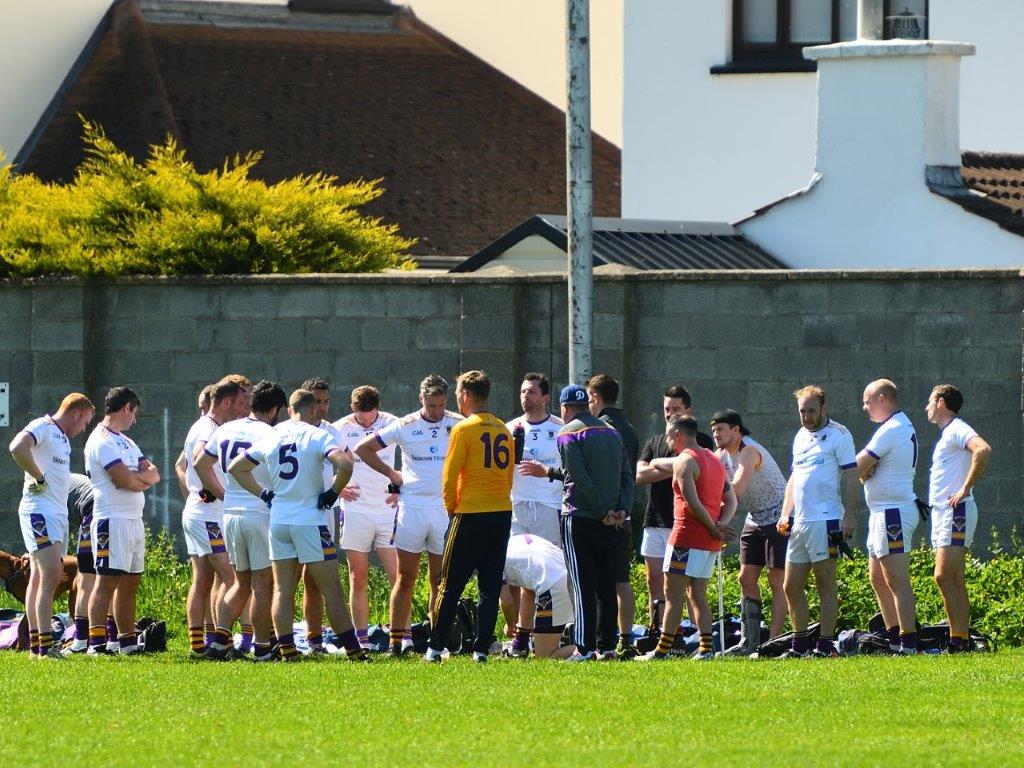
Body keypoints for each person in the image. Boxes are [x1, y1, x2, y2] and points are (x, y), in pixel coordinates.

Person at [228, 388, 366, 662]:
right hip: (310, 520)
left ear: (290, 409)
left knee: (282, 588)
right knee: (331, 588)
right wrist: (332, 493)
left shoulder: (272, 435)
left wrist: (263, 493)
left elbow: (235, 467)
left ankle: (288, 650)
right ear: (312, 410)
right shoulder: (317, 434)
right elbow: (345, 464)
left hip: (279, 520)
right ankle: (355, 651)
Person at [355, 374, 462, 656]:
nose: (436, 412)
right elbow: (362, 449)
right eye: (431, 406)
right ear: (421, 400)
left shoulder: (457, 423)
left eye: (440, 405)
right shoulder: (404, 425)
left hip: (443, 508)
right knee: (406, 576)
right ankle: (396, 641)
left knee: (439, 579)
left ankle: (435, 640)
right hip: (412, 508)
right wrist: (392, 474)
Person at [424, 370, 514, 663]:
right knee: (490, 586)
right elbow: (508, 476)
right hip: (500, 512)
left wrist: (453, 510)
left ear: (464, 396)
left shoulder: (463, 429)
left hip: (470, 512)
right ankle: (481, 650)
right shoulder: (504, 429)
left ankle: (435, 647)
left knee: (449, 583)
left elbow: (449, 478)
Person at [197, 380, 288, 661]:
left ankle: (219, 641)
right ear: (273, 410)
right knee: (263, 583)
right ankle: (262, 647)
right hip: (259, 510)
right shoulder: (271, 433)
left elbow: (200, 463)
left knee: (239, 582)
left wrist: (222, 493)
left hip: (231, 512)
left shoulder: (226, 428)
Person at [639, 415, 736, 661]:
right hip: (708, 541)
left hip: (686, 536)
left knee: (672, 596)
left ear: (676, 435)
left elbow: (692, 502)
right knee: (698, 595)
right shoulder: (713, 460)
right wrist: (719, 525)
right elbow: (732, 500)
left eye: (669, 436)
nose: (667, 441)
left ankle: (661, 651)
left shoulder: (684, 461)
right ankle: (706, 649)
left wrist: (715, 527)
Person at [8, 393, 95, 658]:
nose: (83, 429)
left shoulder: (63, 440)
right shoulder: (43, 426)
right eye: (85, 422)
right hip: (39, 512)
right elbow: (17, 446)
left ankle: (38, 647)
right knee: (50, 575)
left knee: (40, 577)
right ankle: (45, 647)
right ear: (77, 413)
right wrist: (38, 476)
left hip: (56, 514)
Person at [777, 386, 858, 659]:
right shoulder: (800, 437)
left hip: (826, 520)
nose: (807, 416)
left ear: (824, 408)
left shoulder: (839, 434)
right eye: (802, 411)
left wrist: (849, 514)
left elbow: (851, 476)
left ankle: (824, 646)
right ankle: (799, 646)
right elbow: (794, 479)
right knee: (791, 585)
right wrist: (785, 513)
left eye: (812, 410)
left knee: (825, 584)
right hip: (799, 523)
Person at [556, 384, 634, 661]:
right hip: (613, 521)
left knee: (582, 585)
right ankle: (608, 645)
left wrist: (601, 511)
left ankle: (584, 647)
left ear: (565, 408)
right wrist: (621, 510)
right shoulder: (611, 431)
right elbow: (627, 473)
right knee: (606, 585)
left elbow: (577, 478)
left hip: (581, 517)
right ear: (587, 404)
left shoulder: (568, 432)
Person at [85, 387, 160, 656]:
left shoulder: (127, 442)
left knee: (130, 583)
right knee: (106, 582)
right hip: (111, 519)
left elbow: (154, 474)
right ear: (126, 407)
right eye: (134, 413)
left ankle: (127, 642)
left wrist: (139, 480)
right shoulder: (101, 440)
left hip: (133, 520)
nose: (135, 419)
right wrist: (138, 480)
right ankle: (96, 643)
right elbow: (123, 479)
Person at [635, 385, 712, 631]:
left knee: (689, 585)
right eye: (667, 409)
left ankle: (692, 633)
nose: (670, 414)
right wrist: (678, 467)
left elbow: (701, 470)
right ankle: (657, 631)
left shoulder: (702, 442)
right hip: (655, 520)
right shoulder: (655, 441)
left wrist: (662, 466)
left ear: (688, 410)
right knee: (654, 582)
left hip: (686, 524)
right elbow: (638, 475)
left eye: (676, 409)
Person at [180, 377, 248, 659]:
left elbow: (182, 467)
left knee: (205, 579)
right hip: (208, 515)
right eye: (242, 403)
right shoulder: (208, 429)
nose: (244, 409)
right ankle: (223, 643)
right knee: (233, 579)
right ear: (228, 402)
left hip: (201, 511)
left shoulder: (208, 426)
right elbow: (197, 460)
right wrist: (222, 494)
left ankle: (200, 644)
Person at [710, 409, 788, 654]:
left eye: (721, 428)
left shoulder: (748, 451)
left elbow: (737, 489)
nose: (716, 433)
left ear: (736, 430)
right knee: (745, 578)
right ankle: (749, 641)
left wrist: (718, 519)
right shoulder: (721, 455)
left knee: (777, 581)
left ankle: (773, 643)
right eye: (713, 429)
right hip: (755, 518)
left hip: (779, 516)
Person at [333, 385, 400, 650]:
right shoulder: (339, 428)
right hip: (356, 510)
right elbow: (323, 461)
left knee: (399, 576)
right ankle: (361, 639)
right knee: (357, 576)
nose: (368, 423)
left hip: (387, 509)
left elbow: (411, 455)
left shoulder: (393, 424)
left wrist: (401, 486)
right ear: (353, 410)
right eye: (363, 418)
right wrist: (336, 485)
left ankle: (400, 637)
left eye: (372, 417)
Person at [925, 385, 991, 652]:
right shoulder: (948, 433)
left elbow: (982, 449)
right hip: (946, 513)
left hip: (956, 511)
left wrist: (964, 488)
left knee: (942, 576)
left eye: (930, 401)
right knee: (953, 578)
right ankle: (961, 640)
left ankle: (958, 641)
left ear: (940, 402)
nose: (926, 407)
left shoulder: (956, 428)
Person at [857, 379, 920, 655]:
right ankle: (893, 637)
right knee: (877, 578)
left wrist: (863, 470)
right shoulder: (892, 427)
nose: (864, 407)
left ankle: (909, 641)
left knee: (896, 578)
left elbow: (857, 465)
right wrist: (865, 471)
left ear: (883, 398)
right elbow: (863, 469)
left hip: (892, 512)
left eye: (867, 401)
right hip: (880, 512)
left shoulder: (893, 428)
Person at [586, 373, 640, 658]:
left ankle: (604, 639)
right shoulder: (628, 426)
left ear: (595, 397)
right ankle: (626, 638)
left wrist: (610, 510)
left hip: (608, 516)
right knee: (621, 580)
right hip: (625, 513)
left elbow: (607, 473)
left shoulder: (603, 427)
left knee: (605, 583)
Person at [297, 377, 339, 655]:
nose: (322, 408)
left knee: (317, 576)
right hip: (294, 511)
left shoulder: (332, 431)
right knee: (284, 577)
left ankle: (314, 639)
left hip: (323, 513)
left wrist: (335, 491)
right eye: (317, 402)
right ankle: (279, 637)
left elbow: (344, 465)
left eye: (326, 402)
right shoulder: (289, 431)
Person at [502, 533, 575, 659]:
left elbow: (507, 601)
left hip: (553, 587)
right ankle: (520, 646)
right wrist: (521, 638)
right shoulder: (515, 541)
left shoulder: (493, 557)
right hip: (571, 578)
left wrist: (510, 624)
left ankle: (593, 650)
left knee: (544, 657)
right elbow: (528, 590)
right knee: (528, 590)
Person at [61, 473, 97, 655]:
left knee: (85, 577)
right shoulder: (60, 477)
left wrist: (59, 560)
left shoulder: (46, 489)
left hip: (94, 509)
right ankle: (110, 637)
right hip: (109, 509)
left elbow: (59, 528)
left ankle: (81, 640)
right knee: (108, 577)